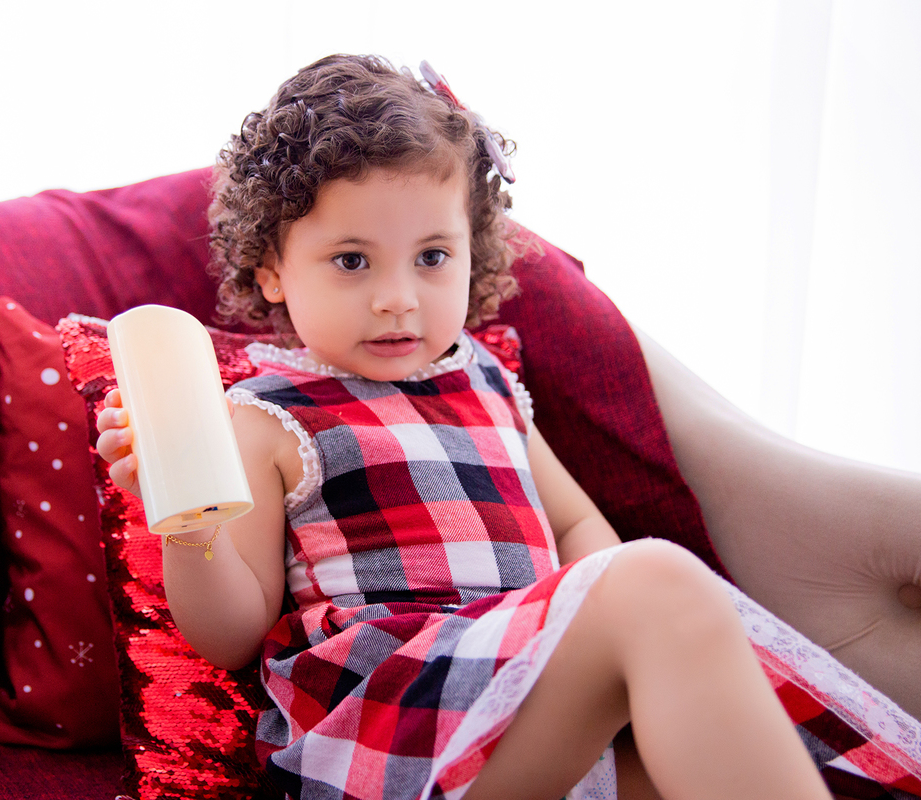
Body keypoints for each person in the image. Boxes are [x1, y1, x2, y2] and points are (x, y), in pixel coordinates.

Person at [93, 54, 836, 800]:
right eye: (351, 260)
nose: (397, 297)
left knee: (691, 734)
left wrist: (584, 625)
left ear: (472, 255)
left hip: (523, 700)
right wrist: (191, 526)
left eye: (432, 257)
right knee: (659, 581)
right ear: (272, 272)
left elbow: (578, 527)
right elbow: (231, 636)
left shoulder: (488, 384)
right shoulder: (267, 414)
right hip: (388, 723)